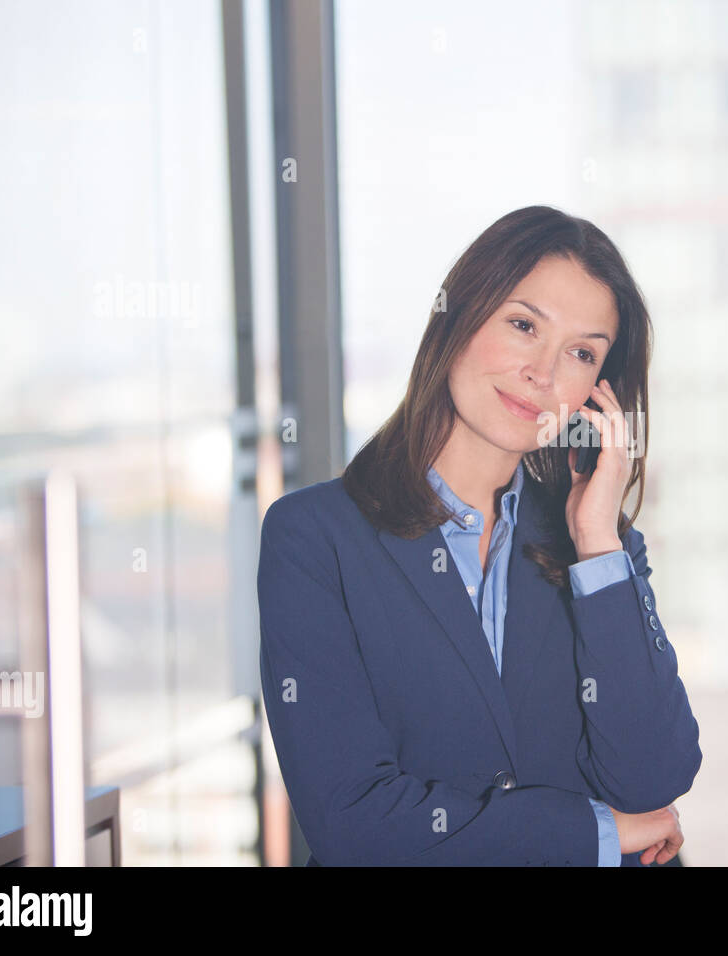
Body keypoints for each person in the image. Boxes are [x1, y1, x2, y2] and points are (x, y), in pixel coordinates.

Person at [257, 205, 702, 866]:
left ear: (597, 391)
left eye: (581, 353)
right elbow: (352, 821)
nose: (544, 374)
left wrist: (597, 544)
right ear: (459, 317)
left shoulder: (597, 547)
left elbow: (653, 779)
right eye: (524, 326)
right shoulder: (315, 539)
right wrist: (595, 833)